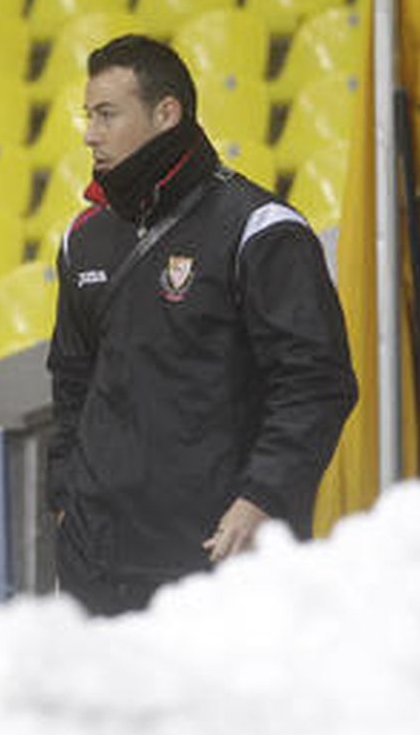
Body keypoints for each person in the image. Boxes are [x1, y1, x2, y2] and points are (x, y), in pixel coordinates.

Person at [46, 34, 358, 616]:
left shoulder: (259, 229)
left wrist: (260, 498)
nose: (90, 133)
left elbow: (317, 382)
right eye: (88, 116)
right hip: (97, 562)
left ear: (167, 114)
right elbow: (71, 381)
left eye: (108, 114)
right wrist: (66, 500)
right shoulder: (83, 238)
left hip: (217, 555)